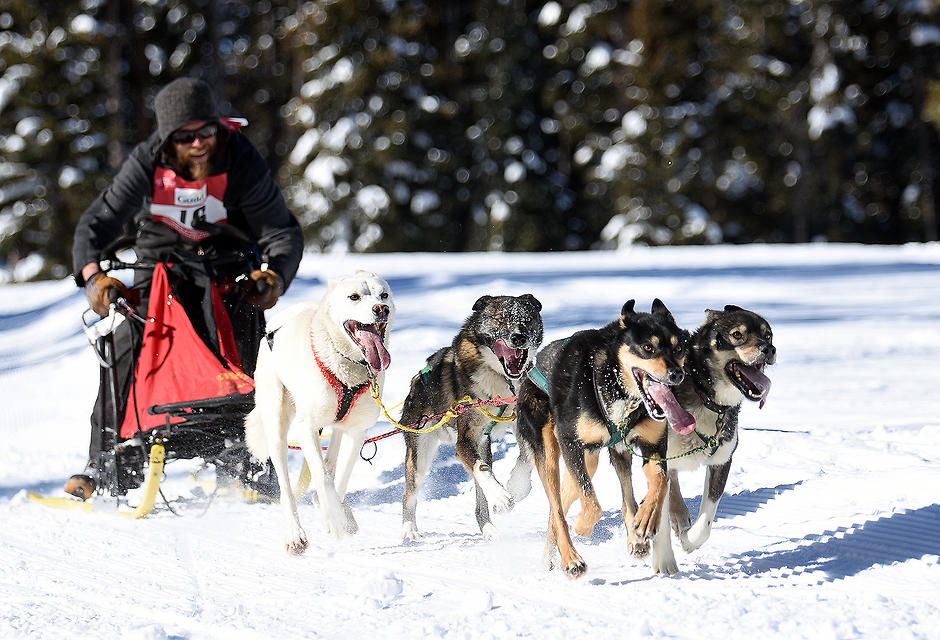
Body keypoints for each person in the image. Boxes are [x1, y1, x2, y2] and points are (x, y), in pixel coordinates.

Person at [65, 77, 303, 499]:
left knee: (248, 350)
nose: (197, 143)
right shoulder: (146, 160)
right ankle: (105, 463)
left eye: (205, 132)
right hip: (159, 274)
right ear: (166, 137)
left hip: (227, 272)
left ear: (218, 126)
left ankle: (251, 458)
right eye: (184, 136)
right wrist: (93, 277)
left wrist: (276, 277)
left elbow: (280, 230)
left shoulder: (240, 157)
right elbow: (96, 224)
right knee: (123, 346)